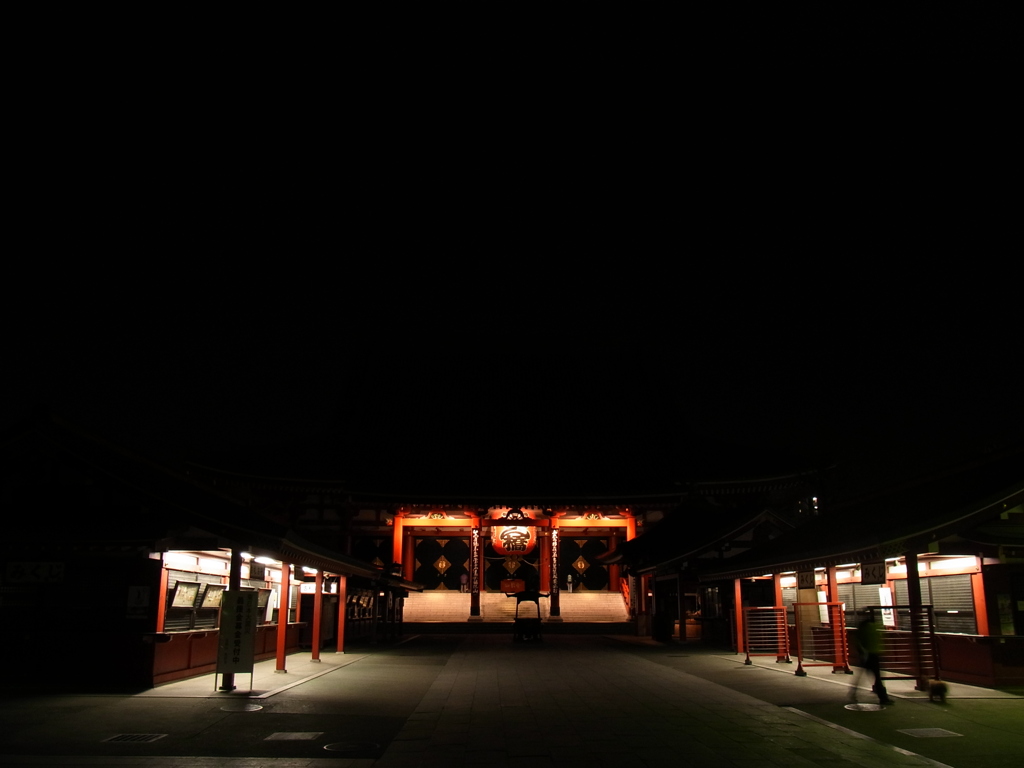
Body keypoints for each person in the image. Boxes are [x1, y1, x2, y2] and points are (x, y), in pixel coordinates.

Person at [854, 617, 893, 705]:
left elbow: (859, 642)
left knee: (861, 677)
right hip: (875, 655)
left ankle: (853, 693)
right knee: (878, 678)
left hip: (866, 655)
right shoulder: (875, 627)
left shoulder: (862, 629)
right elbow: (881, 639)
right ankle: (883, 698)